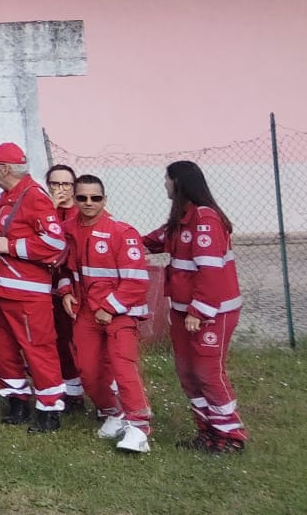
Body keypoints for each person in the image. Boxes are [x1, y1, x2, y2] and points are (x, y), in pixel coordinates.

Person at [144, 160, 246, 453]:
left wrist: (198, 311)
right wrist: (120, 241)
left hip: (211, 313)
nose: (164, 184)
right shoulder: (181, 219)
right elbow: (151, 241)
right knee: (188, 372)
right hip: (183, 311)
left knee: (208, 372)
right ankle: (207, 431)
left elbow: (210, 272)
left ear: (179, 183)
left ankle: (231, 436)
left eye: (167, 179)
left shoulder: (205, 220)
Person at [61, 175, 153, 454]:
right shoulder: (68, 230)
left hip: (120, 313)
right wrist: (65, 290)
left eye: (95, 198)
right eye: (82, 198)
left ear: (105, 199)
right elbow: (62, 267)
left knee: (123, 368)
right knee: (88, 371)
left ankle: (139, 428)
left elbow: (136, 280)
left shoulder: (122, 232)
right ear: (75, 200)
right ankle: (113, 412)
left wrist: (110, 308)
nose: (89, 203)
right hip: (86, 313)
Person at [0, 141, 67, 431]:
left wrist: (11, 246)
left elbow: (55, 243)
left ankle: (49, 409)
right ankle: (17, 401)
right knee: (3, 350)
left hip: (28, 293)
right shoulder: (8, 196)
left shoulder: (33, 197)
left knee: (38, 350)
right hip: (0, 291)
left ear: (5, 168)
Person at [44, 162, 85, 406]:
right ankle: (70, 391)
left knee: (77, 340)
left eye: (66, 184)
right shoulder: (44, 209)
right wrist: (50, 209)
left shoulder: (81, 211)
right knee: (56, 339)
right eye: (55, 183)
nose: (61, 188)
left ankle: (94, 390)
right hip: (47, 284)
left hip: (75, 285)